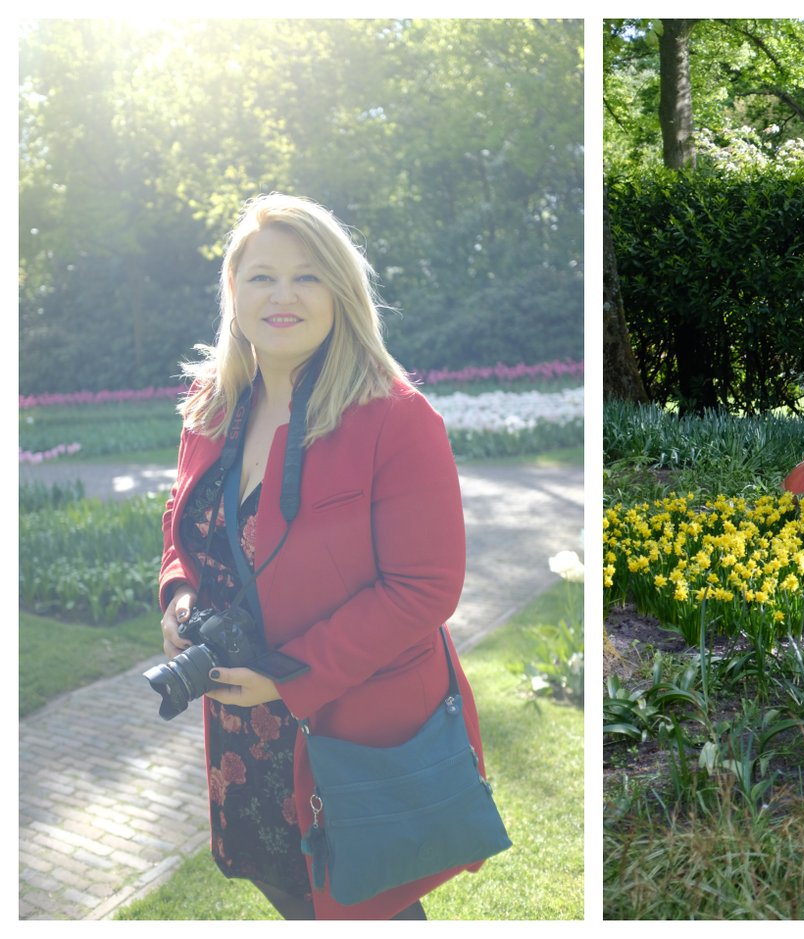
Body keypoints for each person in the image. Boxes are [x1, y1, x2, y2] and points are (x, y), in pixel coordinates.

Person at [157, 193, 485, 919]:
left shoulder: (394, 418)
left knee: (372, 908)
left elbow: (425, 587)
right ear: (233, 293)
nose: (282, 295)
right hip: (244, 737)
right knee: (288, 892)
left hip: (349, 725)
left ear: (341, 292)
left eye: (306, 276)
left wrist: (289, 680)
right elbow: (181, 523)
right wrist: (178, 595)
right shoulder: (211, 406)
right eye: (261, 276)